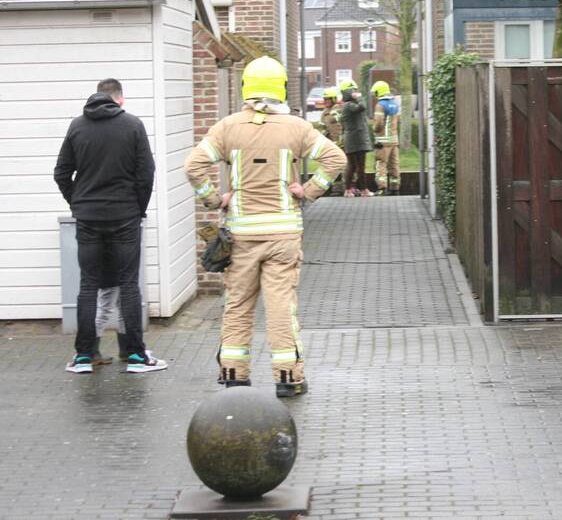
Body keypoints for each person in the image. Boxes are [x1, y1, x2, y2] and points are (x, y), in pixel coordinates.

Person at [185, 56, 345, 397]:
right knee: (280, 307)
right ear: (281, 88)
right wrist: (310, 190)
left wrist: (215, 199)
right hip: (283, 236)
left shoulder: (227, 127)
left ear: (247, 88)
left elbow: (194, 166)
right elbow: (336, 159)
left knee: (238, 305)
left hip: (241, 237)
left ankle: (234, 375)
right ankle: (288, 377)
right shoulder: (297, 127)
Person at [54, 78, 165, 374]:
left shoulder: (77, 126)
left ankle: (83, 356)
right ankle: (137, 357)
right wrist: (137, 209)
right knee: (129, 284)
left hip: (88, 218)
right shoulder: (132, 125)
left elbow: (62, 172)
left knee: (88, 285)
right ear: (120, 99)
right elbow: (146, 174)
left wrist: (77, 203)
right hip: (124, 216)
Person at [338, 79, 374, 197]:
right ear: (349, 91)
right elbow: (362, 106)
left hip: (356, 139)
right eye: (354, 90)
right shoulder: (349, 105)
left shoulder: (348, 105)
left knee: (355, 166)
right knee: (356, 166)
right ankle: (357, 190)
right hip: (355, 140)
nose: (356, 92)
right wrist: (359, 97)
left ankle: (353, 189)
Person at [371, 80, 401, 195]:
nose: (375, 95)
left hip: (383, 141)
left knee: (381, 163)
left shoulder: (380, 105)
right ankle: (395, 188)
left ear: (379, 91)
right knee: (394, 165)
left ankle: (382, 188)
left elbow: (378, 123)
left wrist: (374, 129)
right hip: (394, 140)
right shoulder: (394, 103)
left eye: (375, 92)